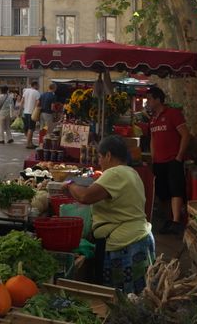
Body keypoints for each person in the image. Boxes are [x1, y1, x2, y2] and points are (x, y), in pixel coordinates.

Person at [65, 135, 154, 293]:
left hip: (126, 244)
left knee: (121, 299)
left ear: (108, 155)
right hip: (138, 238)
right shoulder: (131, 172)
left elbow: (85, 197)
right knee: (138, 298)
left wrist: (70, 185)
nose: (99, 161)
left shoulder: (115, 173)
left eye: (100, 157)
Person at [145, 87, 190, 235]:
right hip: (159, 161)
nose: (148, 102)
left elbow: (185, 135)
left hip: (173, 160)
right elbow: (153, 139)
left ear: (158, 99)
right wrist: (153, 158)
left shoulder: (173, 114)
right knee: (162, 192)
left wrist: (179, 157)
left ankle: (177, 222)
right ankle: (169, 219)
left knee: (175, 190)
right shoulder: (152, 119)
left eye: (150, 98)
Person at [20, 80, 41, 149]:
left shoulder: (26, 91)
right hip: (32, 113)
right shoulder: (37, 92)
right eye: (38, 85)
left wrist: (20, 111)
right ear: (35, 85)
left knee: (27, 128)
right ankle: (28, 144)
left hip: (25, 112)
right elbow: (38, 103)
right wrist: (35, 110)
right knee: (31, 128)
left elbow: (22, 102)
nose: (39, 86)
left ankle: (30, 142)